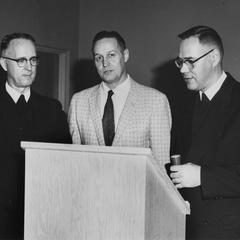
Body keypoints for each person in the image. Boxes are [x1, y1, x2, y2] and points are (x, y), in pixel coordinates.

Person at [170, 25, 240, 239]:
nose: (183, 69)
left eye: (190, 61)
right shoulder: (183, 105)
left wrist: (202, 176)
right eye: (180, 62)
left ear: (214, 57)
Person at [0, 32, 71, 239]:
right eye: (21, 60)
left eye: (33, 60)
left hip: (42, 217)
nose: (29, 67)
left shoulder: (52, 109)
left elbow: (65, 165)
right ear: (4, 64)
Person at [68, 30, 171, 166]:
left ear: (125, 55)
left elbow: (161, 165)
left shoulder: (156, 101)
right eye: (99, 57)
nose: (105, 63)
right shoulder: (78, 102)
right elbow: (76, 162)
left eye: (111, 55)